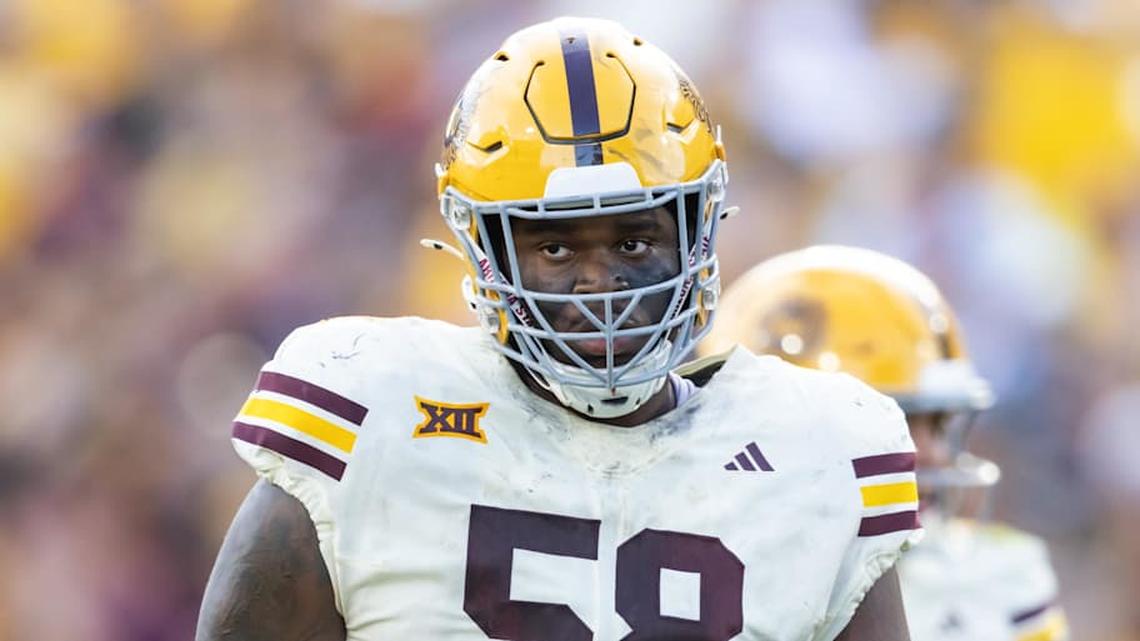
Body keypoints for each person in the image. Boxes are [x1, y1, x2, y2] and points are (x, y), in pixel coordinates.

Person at [196, 19, 918, 641]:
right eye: (556, 247)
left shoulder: (818, 452)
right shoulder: (375, 413)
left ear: (698, 231)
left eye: (633, 242)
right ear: (487, 250)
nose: (599, 281)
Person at [701, 245, 1069, 641]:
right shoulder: (702, 576)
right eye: (901, 422)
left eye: (939, 425)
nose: (935, 454)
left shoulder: (996, 583)